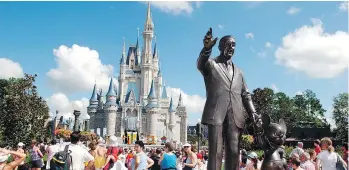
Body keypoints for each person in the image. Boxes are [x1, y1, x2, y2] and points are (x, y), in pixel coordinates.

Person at [196, 27, 262, 170]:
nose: (231, 47)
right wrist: (206, 49)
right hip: (216, 113)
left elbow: (246, 95)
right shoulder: (212, 64)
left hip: (235, 114)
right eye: (228, 44)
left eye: (233, 45)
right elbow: (200, 64)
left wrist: (253, 113)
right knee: (216, 152)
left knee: (233, 152)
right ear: (220, 46)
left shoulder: (239, 72)